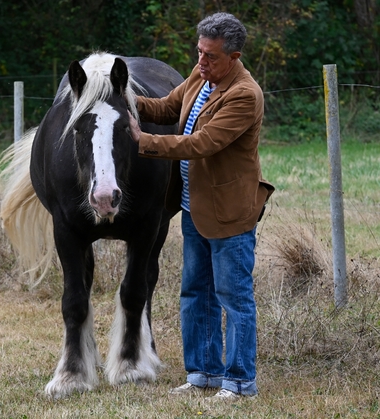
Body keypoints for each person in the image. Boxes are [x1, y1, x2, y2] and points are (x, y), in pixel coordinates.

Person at [129, 12, 275, 401]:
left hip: (230, 210)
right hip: (194, 206)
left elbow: (201, 144)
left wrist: (142, 140)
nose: (201, 62)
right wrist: (123, 99)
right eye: (199, 53)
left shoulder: (244, 94)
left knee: (234, 297)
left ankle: (240, 382)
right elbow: (165, 108)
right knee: (195, 292)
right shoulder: (200, 76)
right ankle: (203, 373)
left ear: (234, 56)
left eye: (210, 56)